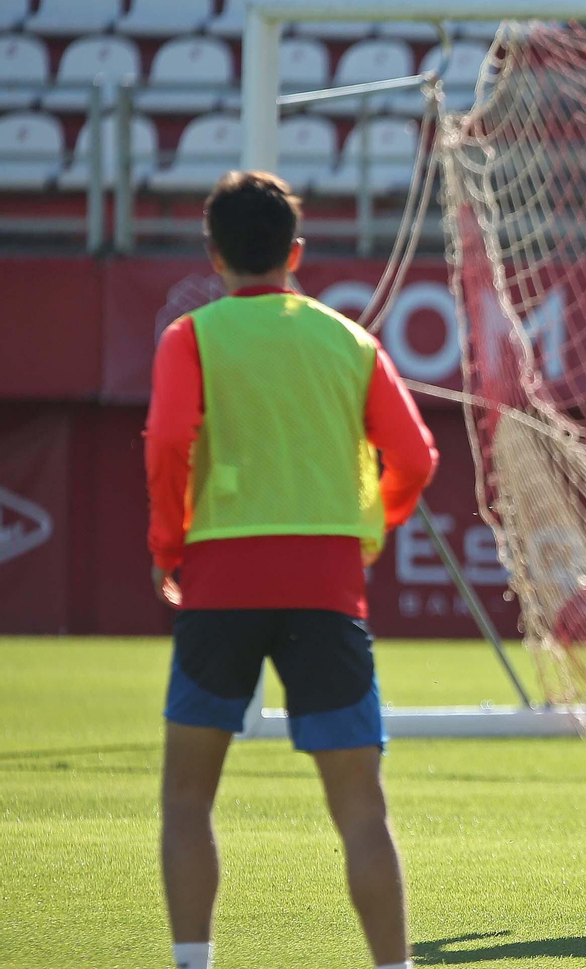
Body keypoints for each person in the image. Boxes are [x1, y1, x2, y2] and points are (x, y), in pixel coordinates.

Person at [146, 171, 438, 969]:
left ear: (213, 255)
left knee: (185, 799)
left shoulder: (190, 337)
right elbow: (415, 456)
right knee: (360, 810)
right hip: (326, 586)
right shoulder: (347, 339)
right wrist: (371, 524)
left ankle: (193, 963)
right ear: (296, 254)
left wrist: (169, 544)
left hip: (219, 584)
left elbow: (169, 442)